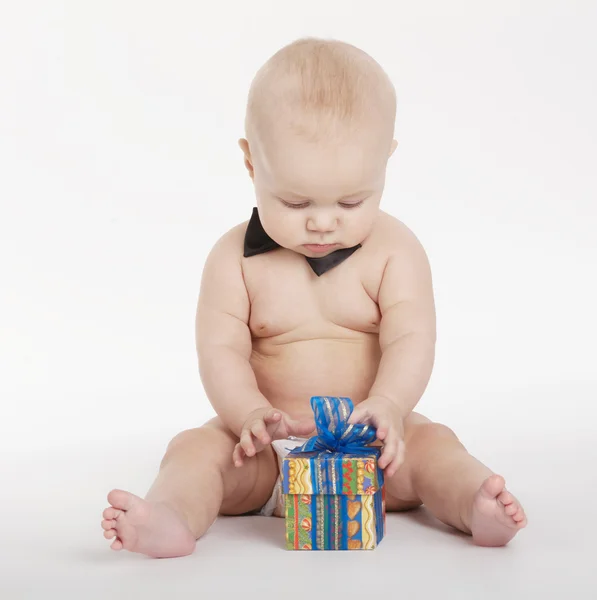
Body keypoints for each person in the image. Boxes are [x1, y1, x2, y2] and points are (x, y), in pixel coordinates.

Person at [100, 37, 527, 557]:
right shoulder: (233, 259)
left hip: (372, 449)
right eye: (295, 200)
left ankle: (472, 504)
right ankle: (172, 518)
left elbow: (412, 338)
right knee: (192, 450)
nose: (323, 222)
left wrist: (390, 405)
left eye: (352, 200)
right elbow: (221, 352)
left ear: (385, 163)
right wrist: (248, 414)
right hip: (268, 456)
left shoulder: (395, 251)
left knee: (434, 445)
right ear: (252, 163)